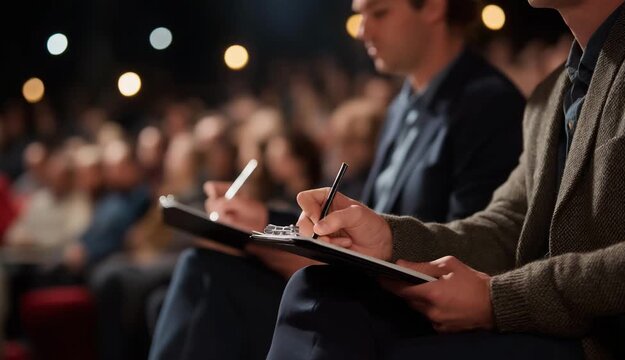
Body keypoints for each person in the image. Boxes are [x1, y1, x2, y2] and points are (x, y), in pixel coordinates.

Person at [149, 0, 526, 357]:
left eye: (379, 13)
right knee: (197, 268)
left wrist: (306, 256)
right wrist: (264, 220)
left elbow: (469, 249)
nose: (362, 30)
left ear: (433, 7)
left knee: (207, 277)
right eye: (359, 14)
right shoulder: (403, 105)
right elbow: (372, 216)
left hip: (402, 311)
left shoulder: (487, 103)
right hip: (364, 290)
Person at [268, 0, 625, 359]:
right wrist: (388, 237)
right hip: (551, 326)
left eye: (380, 12)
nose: (364, 30)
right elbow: (506, 227)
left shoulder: (499, 98)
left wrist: (499, 299)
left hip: (602, 341)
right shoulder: (549, 95)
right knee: (315, 290)